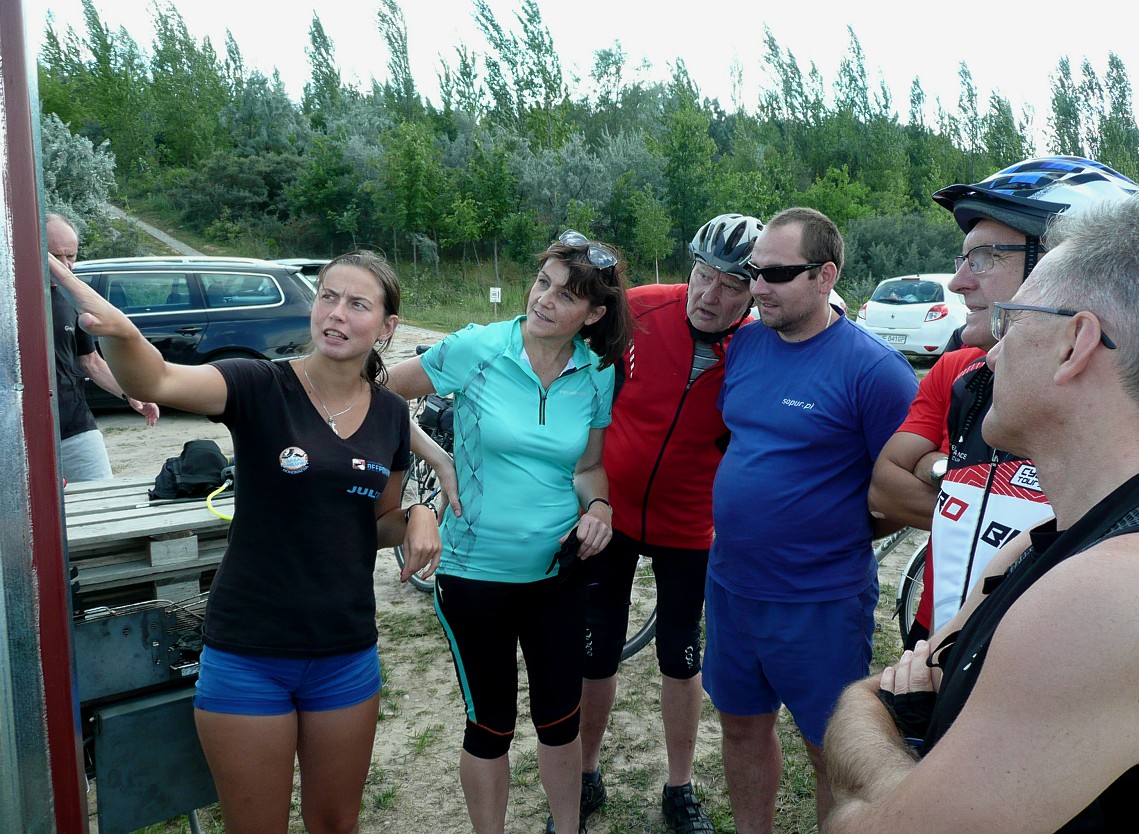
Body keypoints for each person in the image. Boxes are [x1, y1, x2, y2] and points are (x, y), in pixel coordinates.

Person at [824, 189, 1139, 834]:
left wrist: (869, 736)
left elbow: (875, 812)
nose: (991, 354)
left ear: (1075, 345)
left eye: (1012, 323)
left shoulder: (1118, 595)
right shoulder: (1051, 541)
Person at [48, 248, 443, 834]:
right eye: (328, 297)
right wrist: (124, 334)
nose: (336, 313)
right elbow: (157, 379)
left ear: (387, 327)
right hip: (248, 653)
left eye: (357, 304)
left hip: (344, 651)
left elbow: (377, 521)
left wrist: (417, 515)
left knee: (337, 824)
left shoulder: (389, 415)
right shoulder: (260, 384)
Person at [385, 231, 633, 834]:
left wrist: (600, 507)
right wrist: (438, 457)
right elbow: (379, 391)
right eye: (543, 281)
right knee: (490, 726)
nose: (544, 298)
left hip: (556, 574)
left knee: (561, 722)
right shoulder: (480, 347)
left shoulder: (597, 373)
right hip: (475, 574)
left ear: (593, 315)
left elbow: (587, 467)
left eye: (566, 294)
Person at [867, 157, 1139, 644]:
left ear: (1063, 267)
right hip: (938, 640)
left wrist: (939, 471)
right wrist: (956, 477)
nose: (958, 282)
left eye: (984, 258)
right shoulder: (967, 377)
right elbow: (883, 488)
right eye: (962, 260)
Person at [704, 206, 918, 831]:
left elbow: (900, 488)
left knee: (832, 752)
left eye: (776, 274)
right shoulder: (746, 345)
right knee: (741, 728)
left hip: (818, 602)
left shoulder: (875, 372)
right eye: (754, 271)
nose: (757, 287)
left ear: (826, 276)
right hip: (731, 587)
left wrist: (841, 533)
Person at [573, 214, 761, 834]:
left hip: (691, 525)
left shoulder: (759, 344)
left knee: (681, 656)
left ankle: (680, 785)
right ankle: (585, 772)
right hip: (614, 511)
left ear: (754, 290)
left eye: (731, 284)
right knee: (596, 648)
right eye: (703, 274)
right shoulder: (641, 308)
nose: (710, 294)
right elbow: (563, 340)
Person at [45, 213, 159, 481]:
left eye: (71, 256)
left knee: (102, 493)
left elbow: (91, 361)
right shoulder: (10, 297)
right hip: (19, 434)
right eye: (55, 256)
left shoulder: (72, 298)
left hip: (74, 426)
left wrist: (130, 393)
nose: (65, 266)